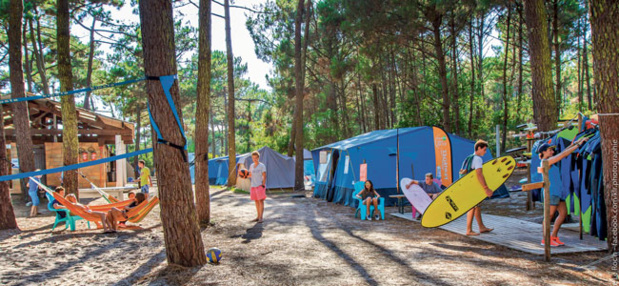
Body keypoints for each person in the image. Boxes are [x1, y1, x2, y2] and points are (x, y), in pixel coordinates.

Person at [537, 137, 589, 247]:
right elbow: (563, 155)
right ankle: (545, 239)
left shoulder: (551, 160)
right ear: (543, 152)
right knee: (549, 215)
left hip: (558, 192)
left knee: (563, 213)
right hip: (550, 192)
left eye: (552, 150)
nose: (552, 151)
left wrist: (577, 142)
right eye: (550, 150)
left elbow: (563, 152)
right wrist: (578, 145)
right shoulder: (546, 161)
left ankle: (553, 236)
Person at [461, 140, 494, 236]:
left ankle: (481, 227)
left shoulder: (469, 158)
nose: (485, 152)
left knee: (477, 206)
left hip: (467, 185)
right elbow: (479, 174)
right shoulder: (478, 159)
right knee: (472, 206)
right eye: (484, 149)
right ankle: (469, 230)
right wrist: (486, 188)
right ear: (479, 148)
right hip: (472, 187)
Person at [247, 151, 267, 223]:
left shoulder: (262, 166)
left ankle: (261, 217)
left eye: (256, 158)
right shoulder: (251, 166)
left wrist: (263, 184)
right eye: (253, 158)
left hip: (259, 185)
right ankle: (258, 217)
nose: (254, 159)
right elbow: (250, 175)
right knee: (256, 201)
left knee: (260, 201)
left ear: (258, 158)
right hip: (253, 185)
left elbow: (264, 175)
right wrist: (244, 175)